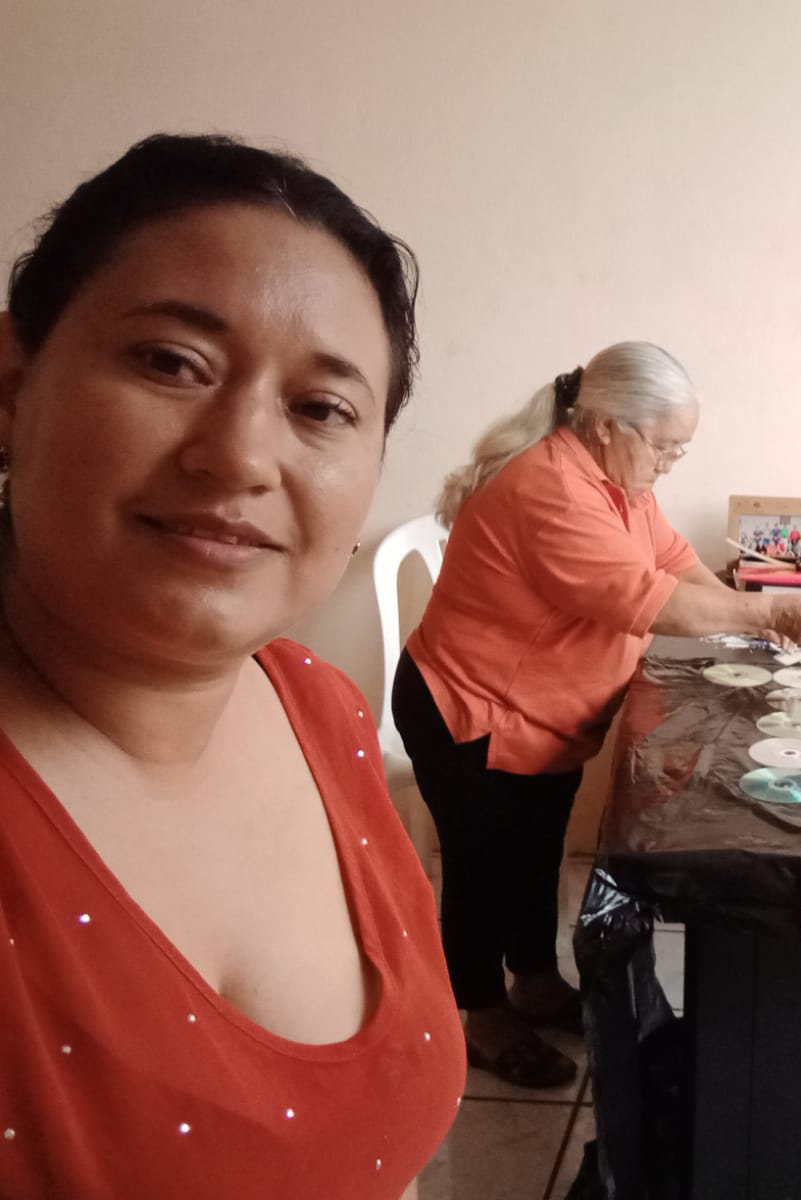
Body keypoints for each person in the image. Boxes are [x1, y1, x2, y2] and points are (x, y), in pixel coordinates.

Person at [0, 135, 462, 1200]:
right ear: (13, 386)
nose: (242, 456)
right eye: (172, 363)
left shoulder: (320, 709)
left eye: (322, 409)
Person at [391, 341, 801, 1089]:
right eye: (663, 446)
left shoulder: (619, 482)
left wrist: (752, 613)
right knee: (482, 865)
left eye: (679, 449)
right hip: (472, 707)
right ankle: (481, 1014)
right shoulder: (552, 491)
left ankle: (534, 980)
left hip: (545, 712)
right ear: (605, 425)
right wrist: (769, 613)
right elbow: (653, 603)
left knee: (537, 849)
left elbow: (674, 562)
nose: (670, 462)